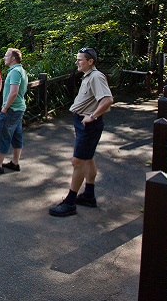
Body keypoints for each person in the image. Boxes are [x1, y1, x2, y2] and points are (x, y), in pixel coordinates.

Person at [49, 47, 114, 217]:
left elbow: (107, 100)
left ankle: (70, 203)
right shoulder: (88, 76)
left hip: (88, 125)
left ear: (90, 61)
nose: (76, 62)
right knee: (88, 158)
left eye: (80, 59)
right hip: (82, 123)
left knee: (78, 162)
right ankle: (89, 195)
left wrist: (92, 116)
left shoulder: (96, 77)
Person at [0, 48, 28, 175]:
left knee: (2, 135)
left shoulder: (15, 72)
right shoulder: (21, 70)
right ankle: (15, 163)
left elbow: (14, 92)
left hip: (11, 109)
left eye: (6, 56)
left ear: (13, 58)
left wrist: (5, 108)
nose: (4, 58)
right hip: (18, 109)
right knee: (16, 134)